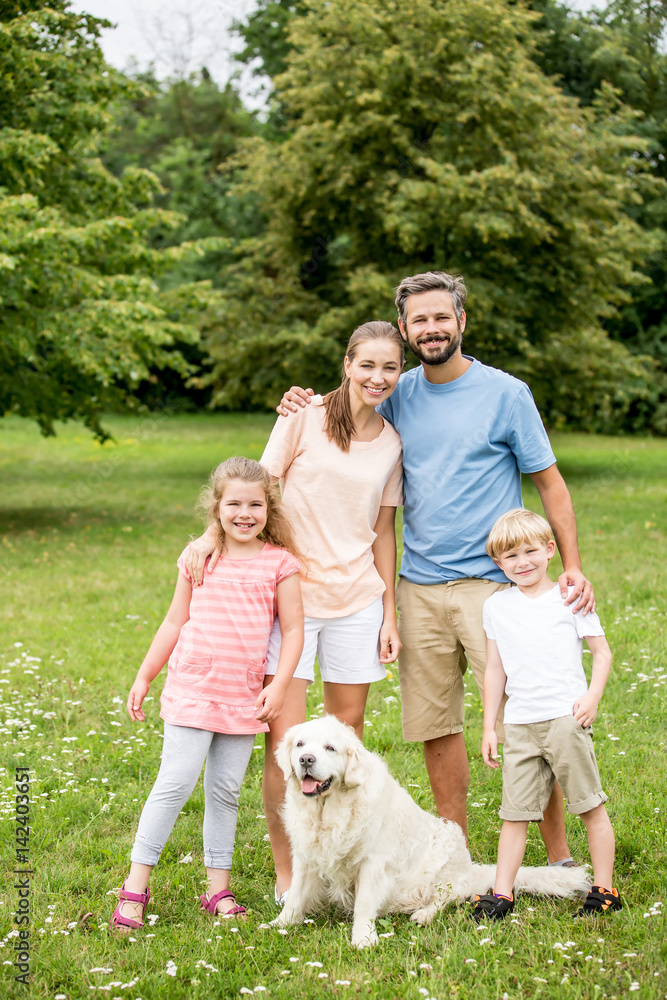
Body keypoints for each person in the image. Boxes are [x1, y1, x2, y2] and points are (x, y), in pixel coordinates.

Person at [278, 269, 594, 867]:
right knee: (435, 722)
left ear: (461, 322)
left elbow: (550, 485)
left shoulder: (507, 394)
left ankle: (557, 855)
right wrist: (299, 401)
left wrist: (571, 565)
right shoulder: (397, 390)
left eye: (441, 317)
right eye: (418, 320)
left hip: (495, 585)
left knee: (531, 715)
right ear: (403, 329)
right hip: (418, 587)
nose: (431, 329)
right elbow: (350, 398)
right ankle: (457, 851)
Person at [184, 321, 404, 907]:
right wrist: (210, 537)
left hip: (357, 600)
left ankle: (341, 865)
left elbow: (383, 529)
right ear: (347, 364)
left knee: (343, 745)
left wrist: (389, 611)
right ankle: (291, 876)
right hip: (290, 601)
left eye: (390, 368)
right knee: (288, 746)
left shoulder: (391, 442)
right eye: (368, 365)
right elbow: (255, 490)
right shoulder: (300, 416)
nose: (378, 377)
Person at [109, 458, 303, 932]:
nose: (244, 513)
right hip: (193, 689)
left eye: (254, 504)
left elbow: (295, 630)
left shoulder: (280, 563)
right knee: (174, 784)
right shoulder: (199, 558)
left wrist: (278, 686)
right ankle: (135, 888)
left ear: (268, 508)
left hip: (242, 697)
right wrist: (144, 675)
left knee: (225, 793)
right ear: (216, 508)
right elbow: (174, 621)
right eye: (233, 503)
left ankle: (218, 889)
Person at [473, 508, 619, 921]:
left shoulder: (569, 596)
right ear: (498, 562)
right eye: (510, 556)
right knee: (514, 814)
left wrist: (591, 696)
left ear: (550, 550)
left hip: (564, 719)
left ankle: (605, 889)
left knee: (590, 806)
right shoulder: (496, 607)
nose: (522, 562)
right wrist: (490, 726)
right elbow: (494, 669)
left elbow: (602, 654)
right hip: (520, 725)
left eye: (530, 551)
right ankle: (502, 894)